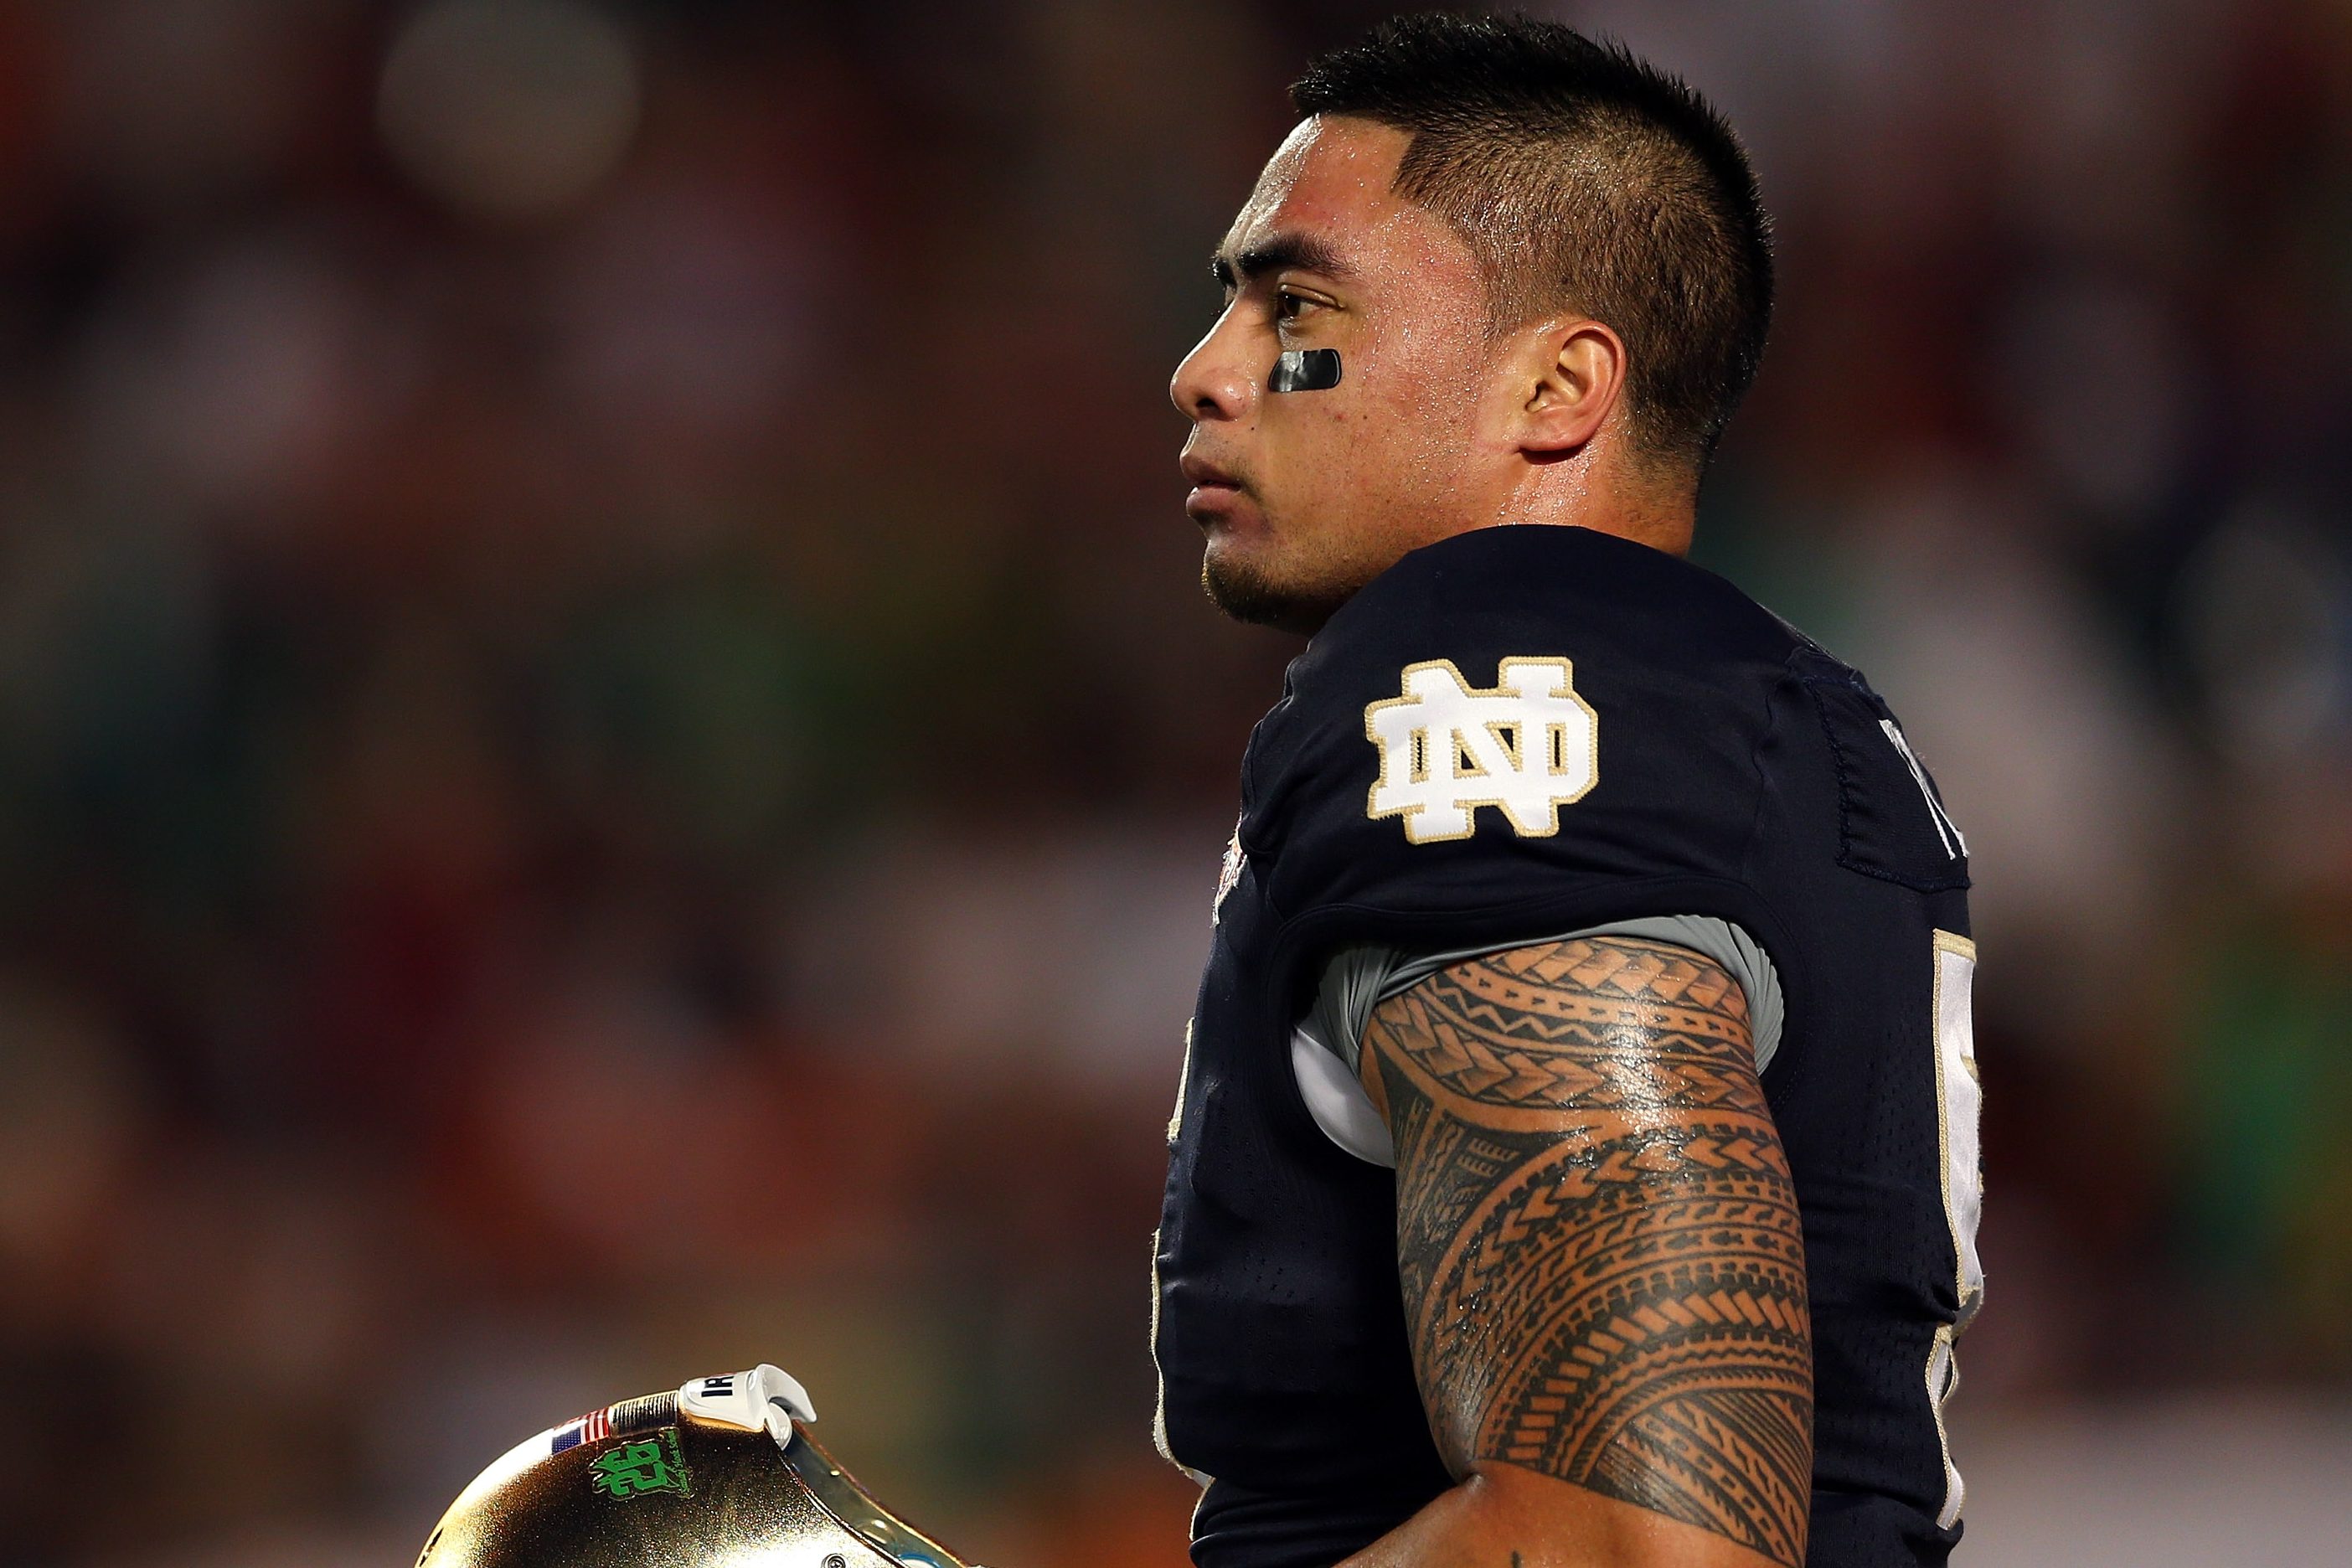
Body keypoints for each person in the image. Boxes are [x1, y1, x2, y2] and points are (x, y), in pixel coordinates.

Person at [1153, 14, 1982, 1568]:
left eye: (1297, 307)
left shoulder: (1495, 677)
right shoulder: (1731, 713)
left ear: (1556, 384)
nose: (1206, 371)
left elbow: (1627, 1540)